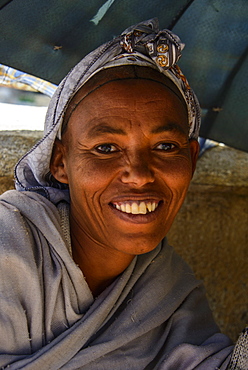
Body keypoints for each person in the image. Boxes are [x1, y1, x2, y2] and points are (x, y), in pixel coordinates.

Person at [0, 18, 246, 369]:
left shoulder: (170, 294)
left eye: (164, 145)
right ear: (60, 162)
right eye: (105, 148)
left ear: (191, 159)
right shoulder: (9, 250)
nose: (139, 174)